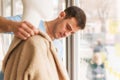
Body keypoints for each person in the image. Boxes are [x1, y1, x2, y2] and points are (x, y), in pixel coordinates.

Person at [2, 5, 86, 80]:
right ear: (61, 15)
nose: (66, 34)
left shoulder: (58, 47)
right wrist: (12, 26)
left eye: (71, 33)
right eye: (67, 27)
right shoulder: (31, 23)